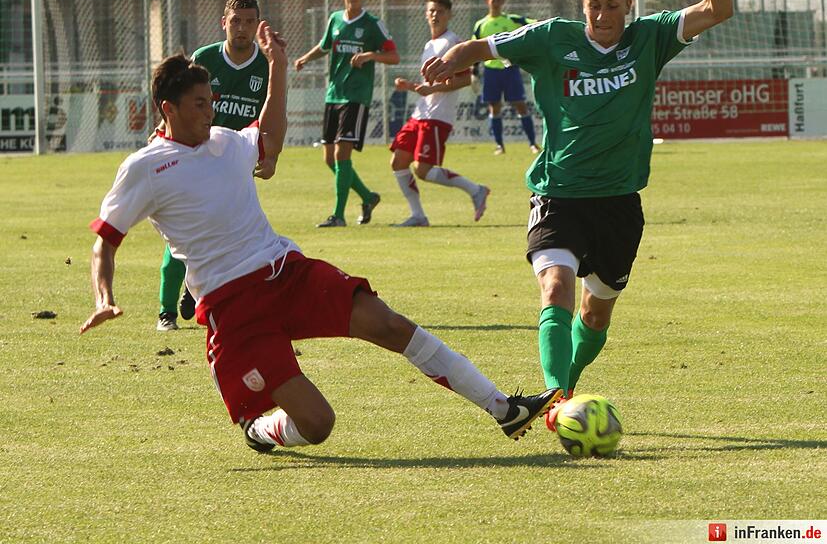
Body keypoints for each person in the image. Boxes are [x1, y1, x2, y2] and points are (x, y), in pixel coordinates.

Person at [80, 25, 560, 452]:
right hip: (234, 309)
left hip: (286, 272)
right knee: (318, 423)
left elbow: (271, 133)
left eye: (212, 102)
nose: (210, 112)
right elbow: (107, 238)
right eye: (200, 105)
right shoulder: (145, 168)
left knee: (390, 323)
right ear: (169, 108)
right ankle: (258, 430)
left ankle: (504, 408)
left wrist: (279, 66)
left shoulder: (224, 141)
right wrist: (104, 297)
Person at [422, 0, 733, 431]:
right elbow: (485, 45)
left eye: (614, 6)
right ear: (581, 4)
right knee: (555, 286)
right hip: (558, 193)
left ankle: (567, 381)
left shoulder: (649, 39)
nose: (603, 16)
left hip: (618, 203)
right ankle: (556, 399)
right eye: (594, 5)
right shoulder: (553, 38)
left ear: (629, 5)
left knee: (596, 314)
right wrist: (453, 59)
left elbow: (717, 8)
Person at [155, 0, 271, 332]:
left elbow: (271, 113)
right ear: (224, 23)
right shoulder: (205, 58)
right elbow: (178, 98)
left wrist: (271, 155)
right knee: (182, 231)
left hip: (238, 161)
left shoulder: (265, 65)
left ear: (257, 25)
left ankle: (203, 294)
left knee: (235, 235)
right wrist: (161, 131)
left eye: (249, 22)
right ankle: (166, 311)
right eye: (236, 21)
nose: (242, 28)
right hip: (196, 154)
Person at [294, 0, 400, 227]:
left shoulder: (373, 24)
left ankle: (338, 215)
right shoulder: (335, 20)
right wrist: (306, 59)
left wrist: (370, 55)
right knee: (329, 159)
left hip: (356, 95)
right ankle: (368, 196)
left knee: (342, 154)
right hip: (334, 93)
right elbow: (324, 46)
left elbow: (394, 56)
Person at [390, 0, 490, 226]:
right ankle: (418, 215)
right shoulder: (429, 45)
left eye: (440, 11)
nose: (435, 14)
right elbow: (430, 85)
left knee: (423, 170)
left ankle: (476, 190)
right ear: (426, 14)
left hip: (437, 116)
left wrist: (430, 88)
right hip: (420, 114)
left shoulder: (452, 42)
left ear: (449, 15)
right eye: (431, 10)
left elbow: (466, 80)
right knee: (398, 161)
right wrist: (412, 86)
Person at [471, 0, 540, 155]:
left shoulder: (511, 19)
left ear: (502, 2)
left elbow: (534, 23)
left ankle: (532, 143)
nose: (495, 3)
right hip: (491, 71)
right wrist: (474, 72)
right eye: (493, 0)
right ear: (488, 2)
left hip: (510, 69)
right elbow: (474, 48)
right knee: (494, 107)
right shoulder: (481, 24)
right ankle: (499, 145)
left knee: (520, 105)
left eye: (498, 0)